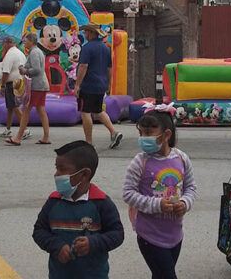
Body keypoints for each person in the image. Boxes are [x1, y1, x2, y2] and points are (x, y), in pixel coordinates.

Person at [123, 105, 197, 279]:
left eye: (149, 133)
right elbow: (128, 193)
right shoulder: (139, 162)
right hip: (149, 235)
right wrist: (157, 204)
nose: (143, 138)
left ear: (166, 135)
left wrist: (185, 203)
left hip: (175, 234)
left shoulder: (181, 158)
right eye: (141, 133)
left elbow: (191, 188)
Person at [32, 140, 124, 279]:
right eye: (56, 168)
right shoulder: (53, 202)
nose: (56, 174)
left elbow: (117, 234)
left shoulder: (101, 202)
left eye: (62, 169)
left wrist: (93, 243)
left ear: (84, 174)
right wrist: (56, 246)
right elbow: (39, 231)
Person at [74, 23, 122, 148]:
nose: (84, 34)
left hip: (88, 85)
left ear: (91, 33)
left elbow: (83, 66)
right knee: (98, 110)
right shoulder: (106, 48)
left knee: (85, 112)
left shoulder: (87, 48)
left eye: (86, 32)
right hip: (101, 85)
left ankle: (89, 142)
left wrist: (77, 84)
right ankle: (114, 132)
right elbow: (109, 68)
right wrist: (109, 84)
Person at [7, 33, 51, 145]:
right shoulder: (37, 52)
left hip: (36, 85)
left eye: (26, 40)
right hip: (41, 85)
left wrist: (25, 71)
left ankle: (18, 137)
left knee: (26, 110)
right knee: (41, 110)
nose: (24, 42)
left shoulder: (34, 52)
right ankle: (46, 136)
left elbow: (36, 69)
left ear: (32, 41)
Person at [0, 36, 27, 139]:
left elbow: (6, 72)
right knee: (10, 106)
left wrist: (3, 85)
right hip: (21, 81)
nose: (2, 46)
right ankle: (8, 129)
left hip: (12, 82)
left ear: (6, 43)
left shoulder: (10, 54)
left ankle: (25, 130)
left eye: (3, 44)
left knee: (14, 106)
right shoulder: (20, 53)